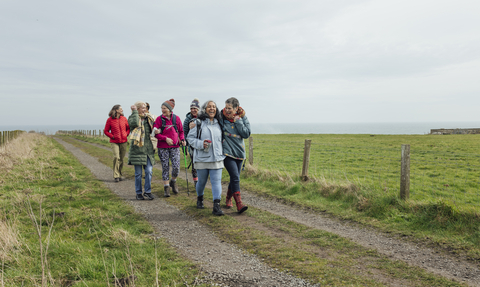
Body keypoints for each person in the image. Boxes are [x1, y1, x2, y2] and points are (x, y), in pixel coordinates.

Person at [187, 100, 226, 216]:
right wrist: (200, 144)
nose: (212, 108)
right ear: (204, 109)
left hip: (217, 158)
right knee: (202, 183)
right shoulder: (197, 123)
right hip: (202, 158)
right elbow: (190, 138)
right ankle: (200, 198)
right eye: (209, 107)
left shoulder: (220, 123)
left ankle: (216, 206)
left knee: (216, 182)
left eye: (214, 106)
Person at [221, 97, 251, 214]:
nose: (227, 110)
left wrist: (238, 120)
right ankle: (239, 204)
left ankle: (228, 198)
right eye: (226, 107)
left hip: (239, 153)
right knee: (235, 177)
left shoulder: (242, 118)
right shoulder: (221, 117)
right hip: (227, 153)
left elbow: (246, 133)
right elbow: (209, 118)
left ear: (236, 108)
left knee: (234, 178)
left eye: (229, 108)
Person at [153, 98, 186, 197]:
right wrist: (165, 138)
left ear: (170, 109)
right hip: (163, 147)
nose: (163, 110)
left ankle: (173, 181)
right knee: (165, 167)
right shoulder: (159, 119)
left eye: (164, 108)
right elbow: (155, 134)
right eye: (162, 108)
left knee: (176, 167)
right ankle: (166, 187)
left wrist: (183, 139)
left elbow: (181, 131)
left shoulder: (176, 119)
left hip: (175, 147)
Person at [128, 101, 156, 200]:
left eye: (145, 107)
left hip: (148, 150)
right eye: (143, 107)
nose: (145, 109)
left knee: (149, 171)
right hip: (137, 150)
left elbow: (154, 129)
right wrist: (135, 112)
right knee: (138, 174)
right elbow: (134, 123)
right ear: (138, 108)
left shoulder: (149, 118)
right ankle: (138, 193)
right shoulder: (132, 117)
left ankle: (147, 191)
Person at [104, 105, 130, 182]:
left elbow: (128, 128)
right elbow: (106, 131)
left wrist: (126, 134)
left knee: (121, 159)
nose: (122, 110)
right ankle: (116, 175)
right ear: (116, 110)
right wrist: (112, 136)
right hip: (114, 142)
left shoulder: (124, 119)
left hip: (124, 141)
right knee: (116, 157)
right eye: (121, 109)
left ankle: (119, 174)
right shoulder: (109, 120)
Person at [183, 98, 200, 187]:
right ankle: (196, 182)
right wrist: (185, 145)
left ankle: (201, 181)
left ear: (198, 109)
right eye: (191, 108)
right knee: (194, 164)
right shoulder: (187, 119)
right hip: (192, 145)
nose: (193, 110)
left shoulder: (203, 117)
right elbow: (184, 132)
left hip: (201, 144)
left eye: (195, 108)